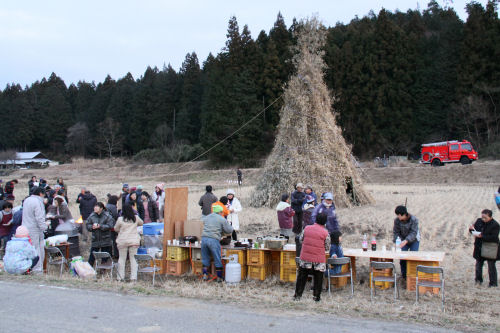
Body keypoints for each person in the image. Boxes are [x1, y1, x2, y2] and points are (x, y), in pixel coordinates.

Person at [294, 212, 330, 302]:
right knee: (318, 278)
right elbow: (327, 247)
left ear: (316, 219)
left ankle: (297, 296)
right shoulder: (325, 233)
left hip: (305, 257)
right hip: (318, 259)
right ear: (325, 222)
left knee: (302, 277)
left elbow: (300, 239)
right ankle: (316, 297)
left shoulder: (307, 228)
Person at [201, 205, 233, 282]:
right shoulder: (221, 219)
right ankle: (219, 277)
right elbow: (229, 230)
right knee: (217, 258)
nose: (222, 214)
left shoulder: (207, 217)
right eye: (222, 212)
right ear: (220, 212)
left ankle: (205, 275)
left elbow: (204, 222)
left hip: (204, 239)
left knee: (205, 258)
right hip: (213, 240)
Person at [469, 209, 499, 287]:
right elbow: (472, 230)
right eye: (482, 217)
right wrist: (471, 230)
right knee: (478, 265)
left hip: (490, 247)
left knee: (491, 266)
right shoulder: (479, 221)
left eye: (485, 217)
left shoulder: (495, 225)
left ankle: (493, 283)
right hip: (479, 246)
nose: (483, 219)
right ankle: (478, 281)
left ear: (490, 217)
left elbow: (494, 237)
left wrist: (482, 236)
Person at [114, 204, 143, 281]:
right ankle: (133, 277)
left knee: (122, 259)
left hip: (123, 241)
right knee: (133, 260)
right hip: (134, 241)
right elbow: (142, 223)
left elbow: (116, 229)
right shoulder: (135, 218)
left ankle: (120, 277)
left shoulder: (120, 219)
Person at [21, 187, 47, 274]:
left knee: (29, 249)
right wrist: (45, 227)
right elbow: (39, 217)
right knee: (37, 249)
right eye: (44, 194)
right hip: (35, 229)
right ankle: (37, 269)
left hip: (25, 228)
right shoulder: (38, 202)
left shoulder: (27, 200)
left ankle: (28, 267)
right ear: (40, 194)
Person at [393, 205, 420, 280]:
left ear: (404, 214)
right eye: (397, 215)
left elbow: (414, 233)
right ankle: (404, 276)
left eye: (399, 215)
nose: (398, 217)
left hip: (414, 240)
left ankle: (413, 276)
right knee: (402, 258)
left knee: (413, 258)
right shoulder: (397, 221)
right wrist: (397, 241)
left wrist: (406, 240)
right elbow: (396, 232)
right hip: (402, 240)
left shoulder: (414, 220)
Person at [86, 202, 115, 267]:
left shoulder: (107, 216)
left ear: (101, 208)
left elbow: (110, 226)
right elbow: (87, 224)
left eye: (97, 207)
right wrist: (92, 227)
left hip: (105, 239)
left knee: (104, 257)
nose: (95, 208)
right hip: (95, 239)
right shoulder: (92, 215)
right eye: (95, 206)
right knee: (92, 256)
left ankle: (103, 270)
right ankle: (89, 269)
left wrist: (100, 226)